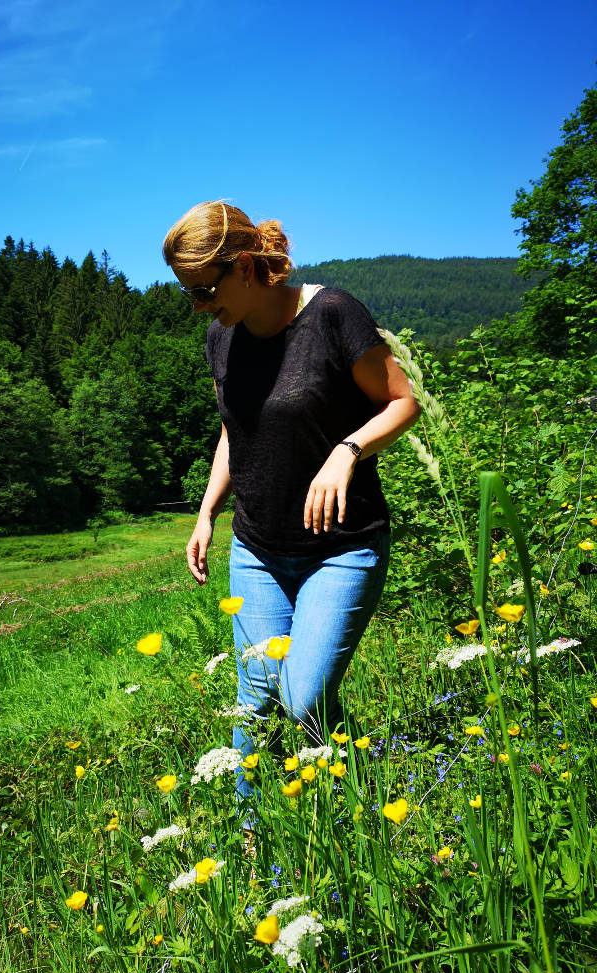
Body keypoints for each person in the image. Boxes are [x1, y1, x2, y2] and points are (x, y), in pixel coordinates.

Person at [162, 201, 420, 803]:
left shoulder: (333, 314)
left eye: (205, 290)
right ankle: (255, 839)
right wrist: (206, 514)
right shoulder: (219, 342)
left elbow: (403, 401)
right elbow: (234, 431)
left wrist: (348, 450)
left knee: (303, 698)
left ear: (246, 267)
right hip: (256, 549)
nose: (201, 307)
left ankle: (361, 795)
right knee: (254, 703)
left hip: (343, 547)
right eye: (188, 295)